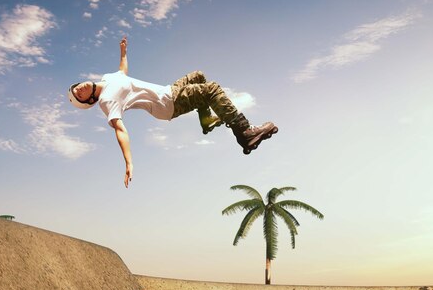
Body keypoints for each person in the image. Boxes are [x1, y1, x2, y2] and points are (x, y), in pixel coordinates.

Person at [68, 36, 278, 188]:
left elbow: (123, 71)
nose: (79, 90)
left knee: (198, 75)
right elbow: (119, 129)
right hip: (167, 104)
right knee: (211, 89)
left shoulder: (108, 78)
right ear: (90, 100)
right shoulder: (106, 102)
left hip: (168, 91)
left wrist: (123, 52)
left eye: (76, 87)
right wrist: (129, 162)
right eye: (79, 95)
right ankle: (244, 132)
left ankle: (205, 119)